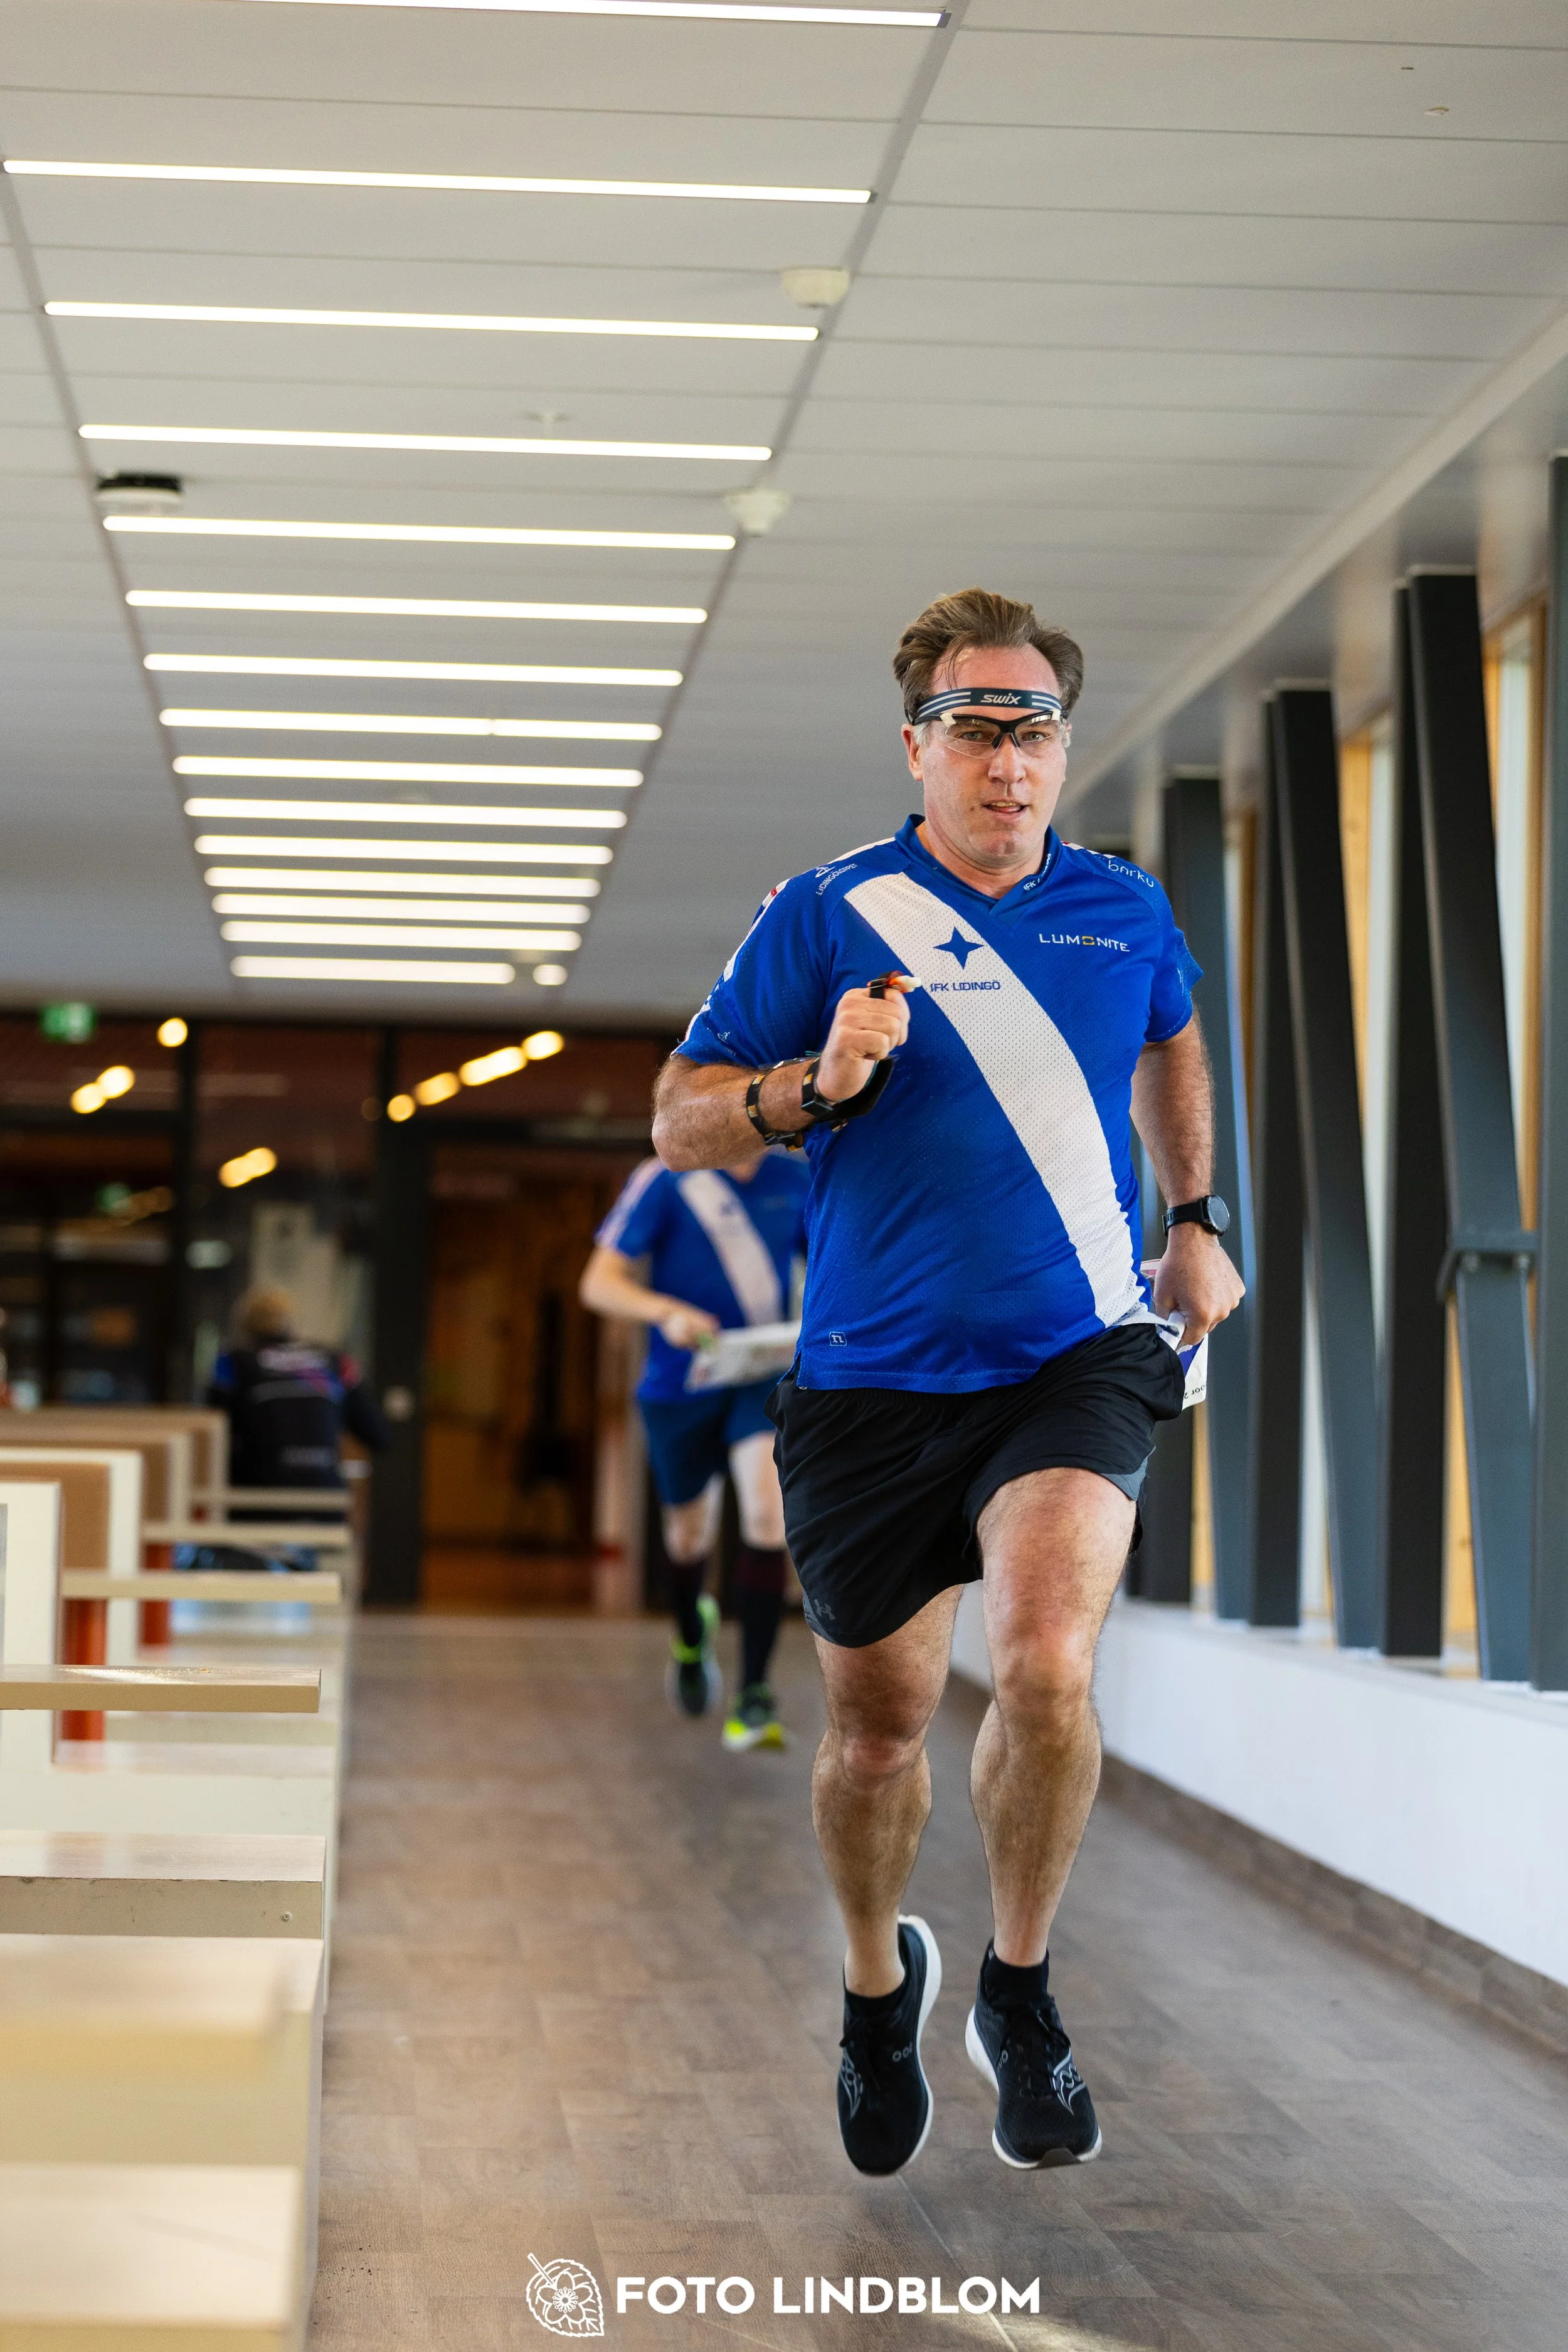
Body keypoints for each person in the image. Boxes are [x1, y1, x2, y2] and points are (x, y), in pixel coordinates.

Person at [650, 586, 1244, 2176]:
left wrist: (1193, 1219)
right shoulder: (831, 910)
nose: (1007, 757)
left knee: (1047, 1656)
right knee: (873, 1735)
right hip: (869, 1386)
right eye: (974, 727)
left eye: (1032, 726)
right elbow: (678, 1117)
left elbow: (1174, 1040)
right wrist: (809, 1086)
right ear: (917, 743)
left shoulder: (1125, 912)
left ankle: (1022, 1988)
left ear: (1061, 746)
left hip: (1074, 1357)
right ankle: (872, 1990)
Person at [580, 1151, 808, 1749]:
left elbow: (839, 1265)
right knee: (688, 1537)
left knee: (767, 1516)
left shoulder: (797, 1177)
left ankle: (754, 1693)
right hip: (680, 1383)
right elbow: (598, 1283)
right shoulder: (664, 1179)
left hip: (759, 1371)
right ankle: (689, 1635)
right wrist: (665, 1312)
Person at [208, 1286, 388, 1564]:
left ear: (245, 1327)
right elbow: (379, 1435)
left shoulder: (232, 1362)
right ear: (292, 1324)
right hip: (325, 1500)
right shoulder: (337, 1362)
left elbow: (210, 1433)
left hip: (256, 1500)